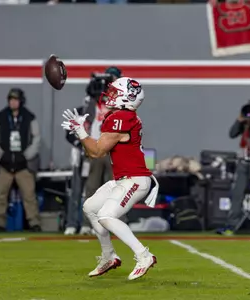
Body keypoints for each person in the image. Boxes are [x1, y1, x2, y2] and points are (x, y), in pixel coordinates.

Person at [61, 77, 159, 280]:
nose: (110, 95)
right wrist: (82, 134)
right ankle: (109, 256)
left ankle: (144, 255)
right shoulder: (122, 116)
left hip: (135, 178)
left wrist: (81, 131)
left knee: (106, 216)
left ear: (127, 97)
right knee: (90, 207)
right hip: (123, 178)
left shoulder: (121, 117)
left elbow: (97, 152)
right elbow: (93, 152)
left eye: (115, 92)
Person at [64, 66, 122, 236]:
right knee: (88, 190)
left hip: (110, 151)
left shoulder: (118, 105)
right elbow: (75, 129)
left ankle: (112, 224)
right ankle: (82, 223)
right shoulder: (88, 106)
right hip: (92, 152)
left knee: (113, 190)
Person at [0, 88, 41, 232]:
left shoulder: (29, 117)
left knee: (29, 195)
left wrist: (26, 155)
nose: (13, 102)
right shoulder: (0, 116)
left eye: (16, 99)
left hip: (23, 164)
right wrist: (0, 155)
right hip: (5, 163)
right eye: (10, 99)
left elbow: (36, 138)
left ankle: (34, 222)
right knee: (0, 194)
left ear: (21, 101)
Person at [217, 102, 250, 235]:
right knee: (237, 195)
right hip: (243, 163)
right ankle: (232, 226)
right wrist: (240, 120)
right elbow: (232, 134)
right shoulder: (244, 125)